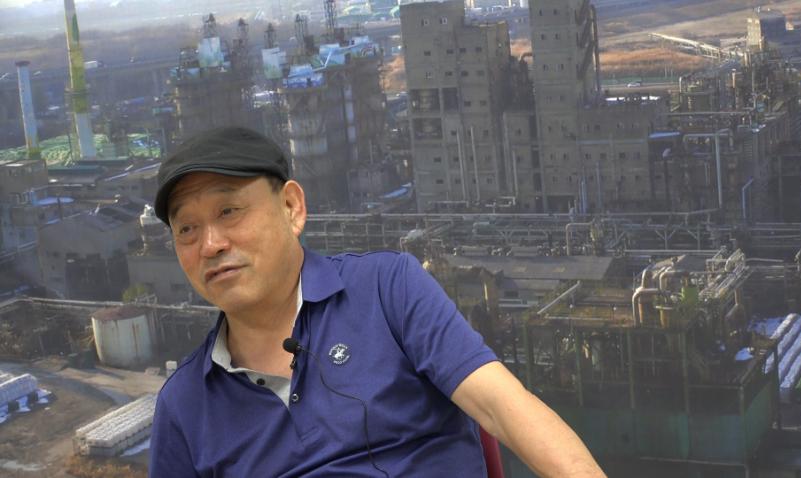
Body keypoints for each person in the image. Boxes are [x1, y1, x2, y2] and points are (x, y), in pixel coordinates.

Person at [148, 127, 605, 477]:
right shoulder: (184, 404)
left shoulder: (387, 289)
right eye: (187, 228)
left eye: (229, 211)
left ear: (291, 208)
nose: (210, 244)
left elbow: (505, 408)